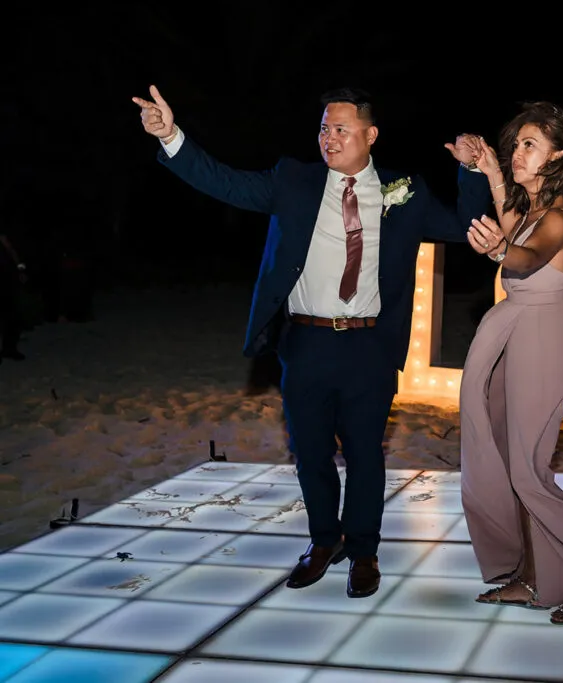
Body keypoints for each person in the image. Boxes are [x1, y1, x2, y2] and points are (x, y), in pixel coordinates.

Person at [132, 85, 491, 597]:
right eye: (324, 127)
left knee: (366, 453)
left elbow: (463, 225)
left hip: (369, 345)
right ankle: (324, 540)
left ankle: (363, 550)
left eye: (341, 128)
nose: (329, 137)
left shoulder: (403, 191)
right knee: (311, 451)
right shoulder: (294, 181)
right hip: (305, 341)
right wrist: (171, 136)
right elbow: (226, 183)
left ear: (370, 135)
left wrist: (473, 172)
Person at [459, 102, 563, 624]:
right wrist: (489, 168)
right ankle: (536, 578)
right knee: (512, 468)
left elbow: (525, 259)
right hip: (516, 335)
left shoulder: (557, 219)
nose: (517, 151)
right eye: (517, 142)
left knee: (530, 474)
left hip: (545, 342)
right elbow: (513, 231)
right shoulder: (531, 211)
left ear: (559, 155)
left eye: (530, 144)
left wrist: (496, 252)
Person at [0, 229, 28, 363]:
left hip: (8, 278)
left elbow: (12, 250)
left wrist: (20, 269)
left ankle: (9, 348)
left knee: (12, 315)